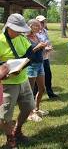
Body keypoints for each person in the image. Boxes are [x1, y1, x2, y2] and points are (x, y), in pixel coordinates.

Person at [0, 13, 35, 148]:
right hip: (7, 84)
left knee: (29, 108)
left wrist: (21, 67)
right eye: (17, 29)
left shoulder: (22, 39)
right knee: (5, 116)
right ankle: (10, 139)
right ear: (9, 26)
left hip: (23, 80)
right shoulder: (0, 40)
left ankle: (17, 130)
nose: (20, 32)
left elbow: (30, 55)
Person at [26, 19, 48, 122]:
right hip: (31, 66)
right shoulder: (25, 38)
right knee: (29, 91)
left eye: (40, 26)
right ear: (30, 26)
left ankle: (36, 109)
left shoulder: (37, 36)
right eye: (37, 26)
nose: (39, 27)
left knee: (42, 88)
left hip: (40, 64)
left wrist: (45, 48)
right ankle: (30, 114)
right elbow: (26, 55)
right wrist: (37, 47)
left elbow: (40, 49)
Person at [36, 15, 59, 99]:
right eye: (41, 22)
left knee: (48, 76)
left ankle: (50, 93)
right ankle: (35, 96)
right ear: (36, 22)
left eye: (43, 22)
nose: (42, 23)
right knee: (37, 78)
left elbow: (48, 41)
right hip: (38, 58)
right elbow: (35, 46)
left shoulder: (45, 31)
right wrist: (45, 48)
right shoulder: (34, 33)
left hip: (45, 57)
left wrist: (50, 47)